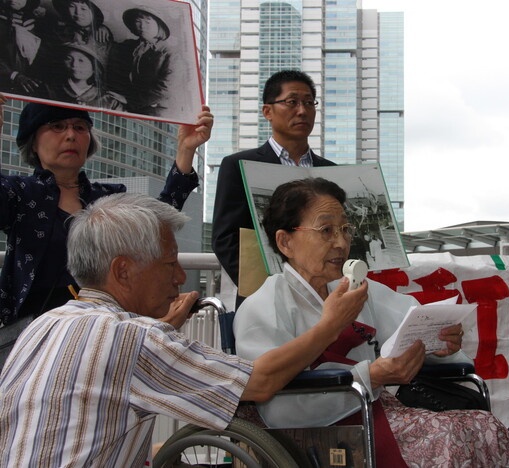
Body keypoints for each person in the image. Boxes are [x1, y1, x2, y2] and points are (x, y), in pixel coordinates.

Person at [0, 192, 367, 467]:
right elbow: (260, 383)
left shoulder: (43, 326)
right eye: (169, 264)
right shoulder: (135, 339)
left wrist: (160, 330)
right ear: (123, 270)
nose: (179, 277)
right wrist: (330, 325)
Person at [234, 178, 509, 468]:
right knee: (450, 434)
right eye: (326, 230)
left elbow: (411, 325)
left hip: (372, 411)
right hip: (320, 429)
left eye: (345, 229)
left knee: (482, 427)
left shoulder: (358, 289)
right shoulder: (265, 304)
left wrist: (439, 342)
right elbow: (278, 410)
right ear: (286, 242)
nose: (341, 242)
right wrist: (369, 376)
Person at [0, 95, 212, 365]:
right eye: (56, 126)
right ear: (33, 139)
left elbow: (157, 221)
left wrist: (185, 150)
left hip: (102, 335)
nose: (70, 135)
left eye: (80, 127)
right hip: (33, 337)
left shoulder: (109, 197)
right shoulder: (18, 194)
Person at [212, 70, 335, 295]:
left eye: (309, 102)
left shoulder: (331, 172)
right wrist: (265, 290)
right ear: (267, 111)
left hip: (323, 294)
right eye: (292, 102)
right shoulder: (238, 165)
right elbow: (225, 238)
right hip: (265, 296)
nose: (302, 110)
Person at [107, 7, 174, 116]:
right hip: (129, 108)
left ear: (159, 25)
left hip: (155, 110)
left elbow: (165, 89)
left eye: (148, 21)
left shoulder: (169, 53)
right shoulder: (129, 47)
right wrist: (103, 29)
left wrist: (130, 100)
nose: (142, 26)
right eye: (138, 21)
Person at [48, 42, 123, 109]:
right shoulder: (49, 90)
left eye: (81, 60)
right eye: (69, 59)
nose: (74, 65)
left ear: (94, 67)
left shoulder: (109, 101)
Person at [0, 0, 51, 95]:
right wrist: (14, 75)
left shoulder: (40, 23)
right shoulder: (3, 22)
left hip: (33, 82)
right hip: (6, 81)